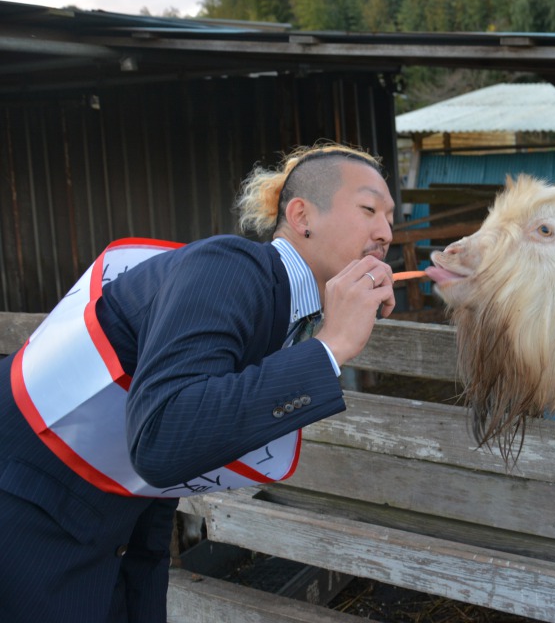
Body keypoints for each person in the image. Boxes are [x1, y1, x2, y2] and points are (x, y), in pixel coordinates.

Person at [0, 142, 396, 622]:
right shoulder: (230, 266)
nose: (386, 232)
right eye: (369, 209)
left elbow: (170, 457)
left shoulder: (289, 316)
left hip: (101, 524)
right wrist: (330, 348)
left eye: (391, 218)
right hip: (29, 504)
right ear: (301, 215)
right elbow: (164, 437)